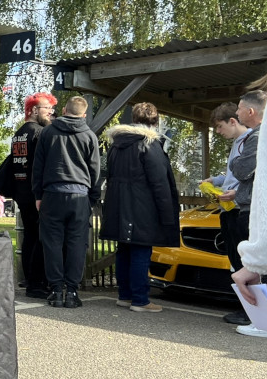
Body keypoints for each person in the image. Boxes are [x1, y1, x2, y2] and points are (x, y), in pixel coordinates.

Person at [100, 102, 179, 312]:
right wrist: (168, 215)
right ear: (155, 120)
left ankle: (124, 295)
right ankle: (140, 300)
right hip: (143, 207)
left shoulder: (117, 145)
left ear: (134, 118)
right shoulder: (149, 144)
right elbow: (160, 182)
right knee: (141, 251)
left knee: (124, 250)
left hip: (119, 206)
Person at [32, 95, 101, 308]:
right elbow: (95, 171)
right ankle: (72, 291)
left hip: (52, 194)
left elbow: (38, 166)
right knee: (77, 244)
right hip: (80, 195)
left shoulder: (47, 133)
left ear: (63, 110)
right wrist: (92, 198)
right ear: (84, 114)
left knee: (52, 243)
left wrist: (38, 195)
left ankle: (56, 290)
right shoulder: (89, 136)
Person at [227, 89, 267, 337]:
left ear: (250, 111)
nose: (236, 112)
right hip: (261, 208)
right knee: (261, 267)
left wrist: (236, 162)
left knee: (261, 267)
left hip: (257, 210)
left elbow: (240, 169)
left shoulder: (259, 137)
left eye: (239, 108)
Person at [202, 103, 252, 326]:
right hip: (229, 209)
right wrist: (216, 180)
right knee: (235, 260)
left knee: (243, 263)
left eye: (220, 126)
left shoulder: (250, 141)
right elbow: (233, 175)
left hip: (239, 209)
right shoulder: (237, 142)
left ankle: (251, 310)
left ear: (233, 121)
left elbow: (251, 177)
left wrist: (236, 193)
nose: (218, 132)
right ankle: (247, 308)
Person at [10, 92, 57, 299]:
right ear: (34, 110)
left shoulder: (19, 133)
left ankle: (28, 278)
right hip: (36, 193)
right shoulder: (40, 133)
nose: (51, 113)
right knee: (40, 237)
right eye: (48, 108)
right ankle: (37, 283)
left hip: (21, 191)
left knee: (29, 236)